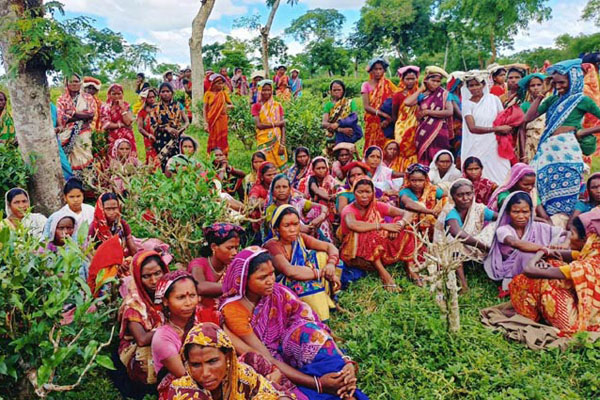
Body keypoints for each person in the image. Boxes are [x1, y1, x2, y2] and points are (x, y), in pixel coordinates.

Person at [220, 247, 368, 399]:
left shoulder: (278, 292)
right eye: (262, 277)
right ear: (244, 280)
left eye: (272, 274)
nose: (270, 281)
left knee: (308, 331)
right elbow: (267, 358)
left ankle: (342, 380)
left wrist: (346, 361)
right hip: (268, 361)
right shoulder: (233, 310)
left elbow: (313, 325)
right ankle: (326, 390)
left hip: (288, 348)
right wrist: (318, 384)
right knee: (273, 383)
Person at [523, 59, 600, 220]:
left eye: (562, 82)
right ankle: (549, 220)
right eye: (555, 83)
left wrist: (581, 132)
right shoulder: (552, 100)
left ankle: (567, 222)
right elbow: (528, 118)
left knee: (569, 185)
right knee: (544, 184)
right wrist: (542, 94)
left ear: (573, 80)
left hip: (568, 150)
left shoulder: (582, 100)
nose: (558, 86)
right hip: (548, 150)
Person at [509, 208, 600, 333]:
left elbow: (529, 270)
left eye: (572, 234)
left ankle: (531, 314)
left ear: (586, 240)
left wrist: (541, 252)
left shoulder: (584, 266)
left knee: (537, 280)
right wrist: (546, 255)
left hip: (579, 323)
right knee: (553, 263)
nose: (569, 238)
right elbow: (557, 254)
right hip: (591, 312)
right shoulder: (592, 256)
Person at [165, 323, 290, 399]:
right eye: (196, 365)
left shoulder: (242, 375)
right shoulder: (181, 391)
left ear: (227, 357)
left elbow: (278, 394)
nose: (205, 373)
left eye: (212, 361)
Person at [264, 205, 341, 322]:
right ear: (277, 228)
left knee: (325, 257)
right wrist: (322, 273)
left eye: (296, 224)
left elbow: (329, 247)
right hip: (282, 287)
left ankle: (330, 299)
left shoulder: (300, 238)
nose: (292, 229)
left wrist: (330, 264)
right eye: (287, 226)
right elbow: (289, 271)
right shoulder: (272, 246)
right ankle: (315, 316)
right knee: (309, 288)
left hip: (304, 274)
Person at [151, 270, 219, 400]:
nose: (188, 303)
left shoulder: (204, 319)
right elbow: (185, 376)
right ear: (165, 301)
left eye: (192, 295)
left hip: (212, 378)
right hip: (183, 390)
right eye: (181, 297)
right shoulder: (163, 338)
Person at [340, 177, 415, 291]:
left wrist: (399, 225)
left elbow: (407, 213)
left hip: (378, 246)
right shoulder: (349, 210)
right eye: (360, 192)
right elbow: (353, 225)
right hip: (355, 253)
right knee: (368, 233)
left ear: (373, 193)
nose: (364, 196)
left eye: (368, 192)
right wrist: (383, 226)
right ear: (354, 192)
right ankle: (384, 274)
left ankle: (409, 268)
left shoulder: (377, 205)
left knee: (407, 227)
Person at [484, 191, 567, 291]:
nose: (521, 216)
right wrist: (544, 250)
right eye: (515, 212)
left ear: (531, 212)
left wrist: (563, 244)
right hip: (512, 268)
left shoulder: (537, 227)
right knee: (525, 255)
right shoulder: (503, 230)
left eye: (525, 212)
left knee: (562, 246)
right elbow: (515, 243)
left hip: (538, 260)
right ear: (508, 212)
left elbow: (567, 233)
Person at [117, 251, 169, 392]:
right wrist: (172, 329)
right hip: (138, 349)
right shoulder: (133, 304)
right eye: (146, 276)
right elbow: (142, 339)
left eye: (157, 273)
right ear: (138, 277)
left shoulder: (168, 292)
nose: (154, 280)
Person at [434, 179, 497, 292]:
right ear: (453, 197)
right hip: (449, 248)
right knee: (456, 243)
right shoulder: (450, 211)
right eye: (460, 195)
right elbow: (457, 233)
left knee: (496, 226)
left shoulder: (478, 209)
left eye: (469, 194)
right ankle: (463, 284)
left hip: (472, 244)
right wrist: (483, 246)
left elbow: (500, 217)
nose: (465, 198)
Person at [460, 70, 511, 185]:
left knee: (500, 173)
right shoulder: (467, 104)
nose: (474, 88)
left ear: (483, 85)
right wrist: (497, 129)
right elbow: (472, 128)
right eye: (471, 85)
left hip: (494, 144)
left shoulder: (494, 100)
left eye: (477, 84)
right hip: (475, 145)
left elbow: (502, 120)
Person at [404, 66, 454, 165]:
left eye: (438, 81)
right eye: (433, 80)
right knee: (424, 156)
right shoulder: (423, 95)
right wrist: (420, 89)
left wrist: (428, 112)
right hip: (424, 130)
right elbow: (407, 102)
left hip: (439, 131)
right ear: (426, 80)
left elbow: (449, 112)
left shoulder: (444, 94)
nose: (435, 83)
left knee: (440, 157)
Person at [188, 223, 243, 311]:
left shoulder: (232, 267)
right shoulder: (198, 264)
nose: (235, 253)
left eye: (236, 248)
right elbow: (199, 286)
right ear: (214, 247)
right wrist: (234, 286)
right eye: (230, 248)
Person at [264, 174, 330, 243]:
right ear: (272, 191)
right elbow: (278, 228)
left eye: (284, 187)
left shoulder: (297, 202)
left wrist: (321, 217)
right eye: (277, 187)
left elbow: (322, 207)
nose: (281, 190)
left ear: (290, 189)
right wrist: (305, 228)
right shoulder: (271, 209)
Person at [56, 73, 96, 175]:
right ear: (66, 83)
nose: (74, 84)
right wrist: (81, 116)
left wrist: (72, 113)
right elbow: (62, 118)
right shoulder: (62, 99)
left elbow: (91, 114)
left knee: (84, 155)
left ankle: (86, 179)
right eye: (71, 81)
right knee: (68, 159)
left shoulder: (87, 98)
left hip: (84, 133)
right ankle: (70, 179)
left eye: (76, 81)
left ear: (80, 83)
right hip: (67, 133)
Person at [486, 163, 551, 224]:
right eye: (526, 184)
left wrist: (551, 227)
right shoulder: (504, 194)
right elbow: (514, 215)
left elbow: (544, 216)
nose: (530, 187)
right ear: (514, 182)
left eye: (532, 184)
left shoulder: (532, 194)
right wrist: (541, 220)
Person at [398, 163, 446, 241]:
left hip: (431, 224)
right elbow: (409, 204)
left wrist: (439, 210)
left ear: (425, 180)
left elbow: (446, 197)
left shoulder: (432, 190)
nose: (417, 184)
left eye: (420, 180)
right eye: (413, 180)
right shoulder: (405, 191)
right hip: (411, 226)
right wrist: (431, 212)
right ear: (408, 180)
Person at [151, 82, 189, 171]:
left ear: (172, 92)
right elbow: (153, 124)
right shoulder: (155, 107)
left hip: (176, 137)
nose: (165, 94)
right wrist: (167, 128)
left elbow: (187, 121)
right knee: (162, 163)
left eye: (168, 91)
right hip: (161, 139)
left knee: (176, 162)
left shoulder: (178, 105)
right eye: (163, 91)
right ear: (159, 93)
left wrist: (181, 130)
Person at [362, 57, 398, 150]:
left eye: (380, 69)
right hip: (372, 121)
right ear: (371, 70)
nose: (378, 72)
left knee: (387, 146)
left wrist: (388, 119)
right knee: (372, 146)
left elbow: (396, 101)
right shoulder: (366, 85)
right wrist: (382, 114)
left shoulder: (389, 84)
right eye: (375, 69)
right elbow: (366, 106)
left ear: (384, 70)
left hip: (386, 122)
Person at [88, 192, 138, 257]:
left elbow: (133, 249)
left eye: (114, 208)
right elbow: (89, 251)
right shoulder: (95, 227)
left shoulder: (122, 224)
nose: (112, 212)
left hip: (121, 258)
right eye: (108, 209)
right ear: (101, 209)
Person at [251, 80, 288, 168]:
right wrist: (277, 124)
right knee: (265, 165)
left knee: (281, 165)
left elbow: (283, 125)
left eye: (269, 90)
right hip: (263, 140)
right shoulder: (256, 106)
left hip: (277, 140)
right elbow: (259, 125)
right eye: (264, 90)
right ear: (260, 90)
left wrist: (282, 144)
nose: (266, 92)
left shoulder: (277, 105)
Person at [391, 66, 420, 172]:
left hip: (416, 126)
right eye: (407, 79)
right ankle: (401, 171)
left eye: (413, 79)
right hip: (401, 127)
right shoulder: (398, 95)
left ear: (416, 79)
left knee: (414, 149)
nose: (410, 81)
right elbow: (394, 113)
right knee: (401, 148)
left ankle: (414, 170)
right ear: (402, 80)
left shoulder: (420, 94)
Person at [297, 157, 339, 229]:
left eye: (323, 168)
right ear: (313, 169)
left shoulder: (330, 179)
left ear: (327, 168)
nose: (321, 171)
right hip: (314, 209)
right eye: (318, 168)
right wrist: (329, 198)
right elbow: (316, 190)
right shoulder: (311, 179)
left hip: (330, 209)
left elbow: (339, 188)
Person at [101, 84, 137, 159]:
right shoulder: (105, 107)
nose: (117, 96)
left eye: (119, 94)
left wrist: (122, 108)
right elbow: (106, 124)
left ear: (122, 94)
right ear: (109, 95)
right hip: (112, 137)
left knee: (129, 159)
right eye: (114, 94)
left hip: (127, 137)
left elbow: (128, 122)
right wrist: (122, 125)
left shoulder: (127, 106)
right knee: (113, 159)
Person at [322, 80, 362, 146]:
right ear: (330, 91)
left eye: (339, 90)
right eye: (334, 90)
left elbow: (354, 118)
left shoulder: (350, 103)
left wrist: (339, 123)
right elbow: (324, 123)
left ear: (343, 90)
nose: (336, 92)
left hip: (349, 135)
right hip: (333, 136)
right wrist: (340, 130)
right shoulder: (328, 105)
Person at [517, 72, 547, 163]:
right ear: (528, 89)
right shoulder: (525, 106)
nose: (536, 88)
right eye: (532, 85)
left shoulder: (549, 103)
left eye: (539, 85)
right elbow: (521, 130)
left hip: (546, 143)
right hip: (530, 144)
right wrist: (523, 154)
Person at [204, 74, 234, 155]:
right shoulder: (208, 94)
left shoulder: (223, 94)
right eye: (218, 83)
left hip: (222, 119)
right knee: (213, 137)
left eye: (222, 83)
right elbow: (205, 109)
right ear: (213, 84)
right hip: (212, 119)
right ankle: (213, 155)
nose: (221, 85)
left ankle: (223, 155)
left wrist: (226, 107)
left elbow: (232, 105)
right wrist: (205, 123)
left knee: (222, 137)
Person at [136, 88, 160, 167]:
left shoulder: (159, 108)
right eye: (149, 97)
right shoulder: (142, 112)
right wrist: (148, 135)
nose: (152, 99)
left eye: (153, 97)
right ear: (145, 99)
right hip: (149, 139)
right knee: (151, 158)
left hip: (160, 136)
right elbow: (140, 128)